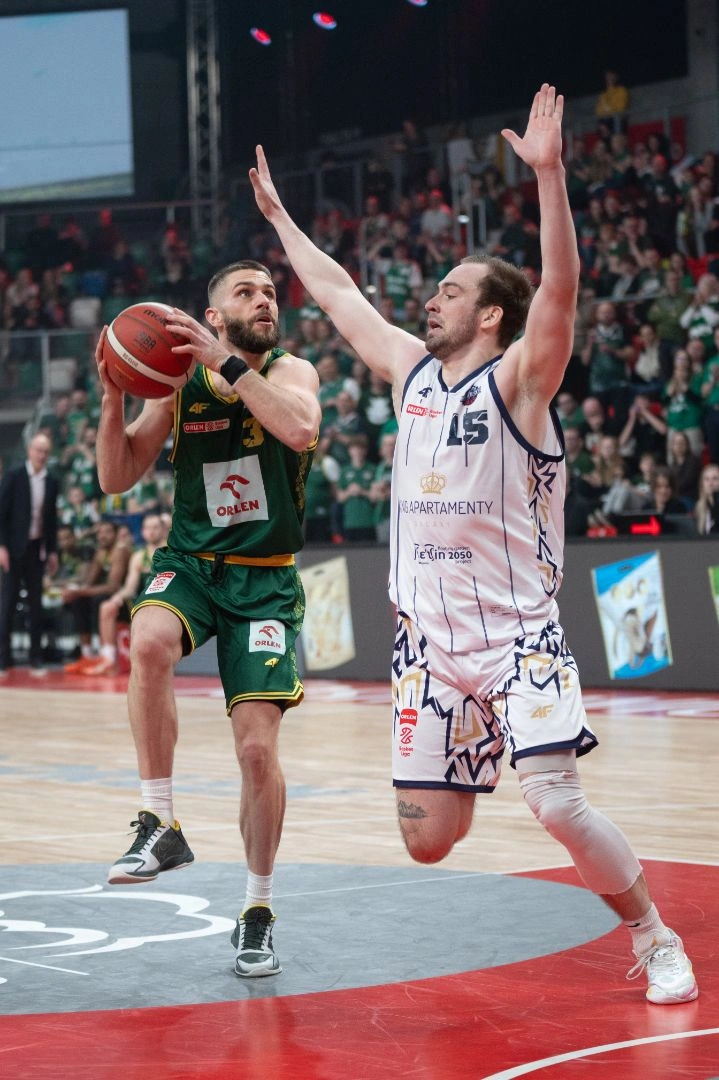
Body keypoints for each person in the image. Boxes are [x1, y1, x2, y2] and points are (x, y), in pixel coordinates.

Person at [250, 84, 698, 1005]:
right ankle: (488, 744)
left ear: (491, 315)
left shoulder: (522, 380)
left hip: (514, 636)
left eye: (450, 291)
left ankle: (655, 938)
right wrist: (282, 221)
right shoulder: (410, 372)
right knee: (427, 840)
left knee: (555, 803)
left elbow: (559, 291)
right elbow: (338, 293)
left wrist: (549, 177)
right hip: (426, 648)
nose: (431, 299)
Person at [94, 259, 321, 980]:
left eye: (270, 292)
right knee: (148, 639)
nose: (265, 301)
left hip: (264, 581)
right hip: (191, 563)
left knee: (255, 752)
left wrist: (226, 364)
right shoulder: (177, 385)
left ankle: (257, 909)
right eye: (246, 293)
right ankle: (158, 820)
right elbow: (116, 476)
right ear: (213, 316)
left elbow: (299, 429)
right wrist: (113, 397)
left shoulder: (291, 372)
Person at [76, 512, 165, 676]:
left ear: (163, 530)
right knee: (107, 606)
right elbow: (130, 587)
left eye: (155, 527)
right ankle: (108, 659)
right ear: (143, 532)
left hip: (165, 603)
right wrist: (118, 597)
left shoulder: (171, 553)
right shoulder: (139, 556)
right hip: (140, 602)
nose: (151, 531)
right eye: (148, 528)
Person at [0, 433, 59, 677]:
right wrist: (2, 547)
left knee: (36, 604)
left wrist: (53, 551)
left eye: (45, 451)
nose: (41, 455)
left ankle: (36, 657)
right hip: (13, 549)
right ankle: (4, 658)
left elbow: (51, 520)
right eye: (38, 450)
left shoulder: (52, 481)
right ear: (29, 450)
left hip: (37, 549)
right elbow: (1, 514)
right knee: (8, 602)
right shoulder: (14, 476)